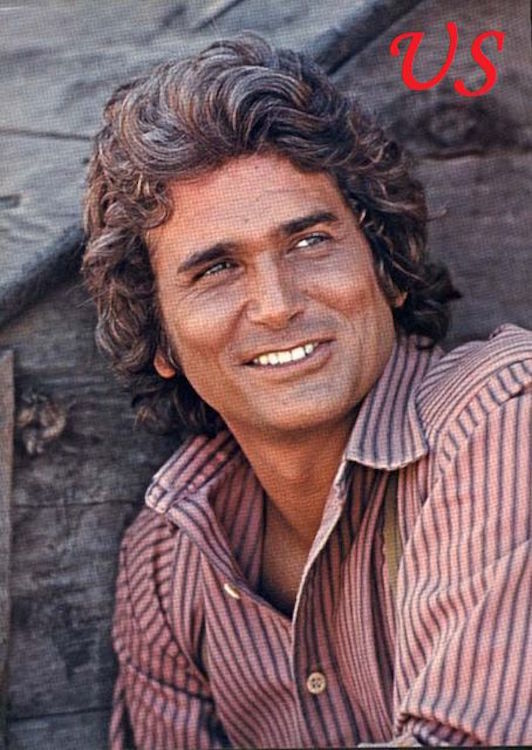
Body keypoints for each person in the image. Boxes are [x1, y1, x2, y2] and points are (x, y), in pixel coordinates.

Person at [82, 34, 531, 749]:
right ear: (161, 340)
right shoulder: (168, 562)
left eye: (309, 242)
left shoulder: (500, 421)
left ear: (384, 266)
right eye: (216, 269)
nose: (276, 304)